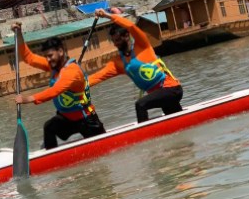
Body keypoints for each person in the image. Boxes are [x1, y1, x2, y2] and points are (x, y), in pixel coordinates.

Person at [13, 22, 106, 150]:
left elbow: (55, 91)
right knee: (49, 127)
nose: (48, 59)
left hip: (87, 120)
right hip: (66, 119)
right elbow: (28, 57)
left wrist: (28, 99)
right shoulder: (53, 67)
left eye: (50, 55)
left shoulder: (72, 71)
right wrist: (19, 34)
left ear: (61, 51)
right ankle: (50, 155)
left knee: (101, 152)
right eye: (46, 56)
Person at [89, 8, 183, 123]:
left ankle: (145, 137)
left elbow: (131, 26)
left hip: (171, 88)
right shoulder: (118, 63)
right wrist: (74, 87)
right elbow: (96, 77)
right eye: (114, 41)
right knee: (178, 121)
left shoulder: (142, 45)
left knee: (140, 104)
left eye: (118, 40)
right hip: (161, 95)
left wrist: (107, 15)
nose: (116, 44)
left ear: (127, 36)